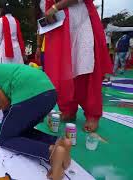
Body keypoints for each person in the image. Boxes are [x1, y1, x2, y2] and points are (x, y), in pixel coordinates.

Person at [0, 63, 72, 179]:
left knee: (5, 138)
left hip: (31, 95)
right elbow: (7, 104)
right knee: (21, 130)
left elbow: (5, 103)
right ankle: (60, 143)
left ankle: (51, 153)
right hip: (49, 92)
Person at [42, 0, 113, 132]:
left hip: (81, 19)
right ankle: (68, 109)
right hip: (61, 22)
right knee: (65, 71)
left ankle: (92, 114)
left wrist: (55, 7)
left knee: (85, 67)